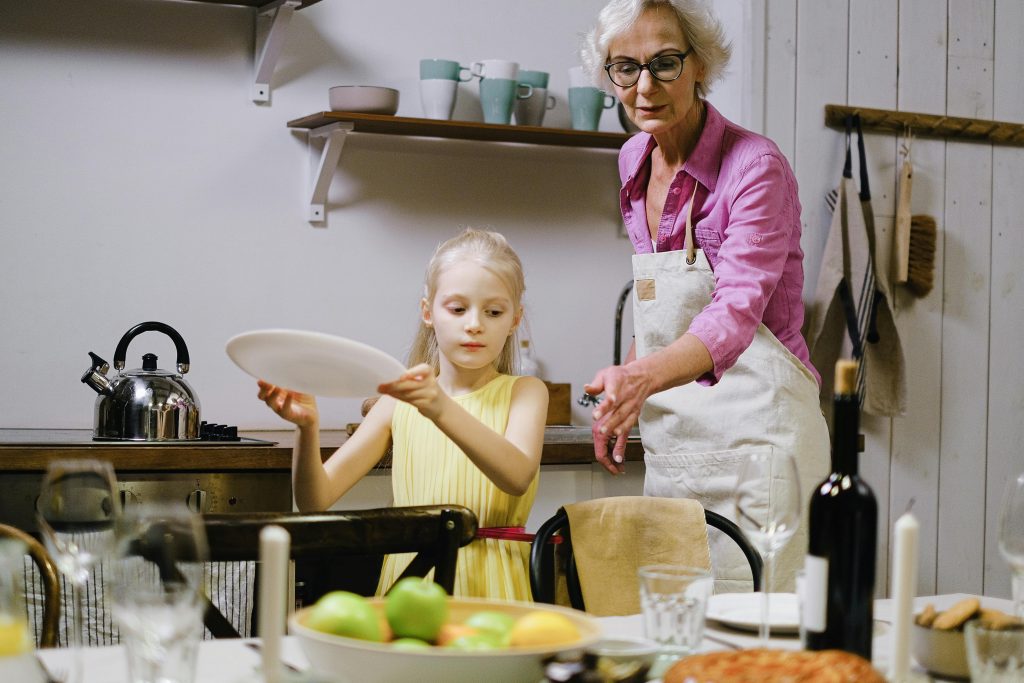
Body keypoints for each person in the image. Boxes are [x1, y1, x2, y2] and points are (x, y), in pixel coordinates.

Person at [580, 0, 829, 592]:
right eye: (625, 67)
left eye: (665, 63)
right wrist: (627, 391)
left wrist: (642, 379)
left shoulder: (755, 166)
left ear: (700, 65)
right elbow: (658, 298)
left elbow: (734, 313)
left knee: (761, 646)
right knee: (674, 637)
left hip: (761, 448)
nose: (645, 86)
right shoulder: (633, 159)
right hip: (678, 446)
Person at [257, 228, 549, 600]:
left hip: (492, 588)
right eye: (458, 309)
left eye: (494, 311)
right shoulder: (398, 404)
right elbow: (315, 499)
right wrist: (307, 427)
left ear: (514, 320)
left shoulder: (525, 392)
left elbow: (517, 475)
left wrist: (438, 406)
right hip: (409, 589)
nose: (474, 323)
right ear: (428, 312)